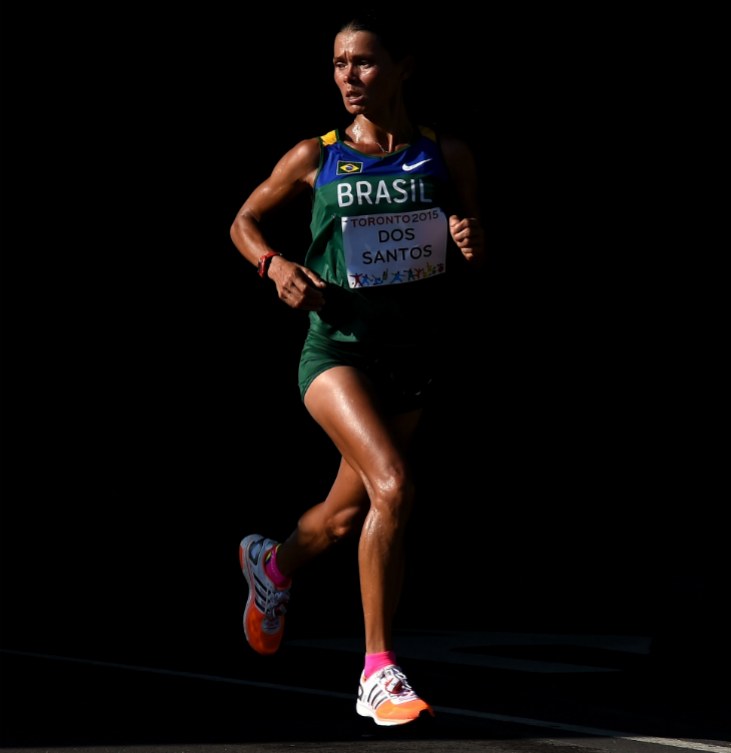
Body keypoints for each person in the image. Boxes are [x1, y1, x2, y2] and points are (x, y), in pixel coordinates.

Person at [231, 12, 485, 728]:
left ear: (405, 67)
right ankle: (378, 670)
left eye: (365, 62)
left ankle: (273, 564)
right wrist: (274, 263)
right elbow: (242, 219)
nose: (348, 76)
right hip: (336, 352)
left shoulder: (446, 153)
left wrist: (471, 238)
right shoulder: (316, 155)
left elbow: (472, 245)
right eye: (340, 62)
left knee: (348, 518)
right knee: (394, 485)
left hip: (410, 358)